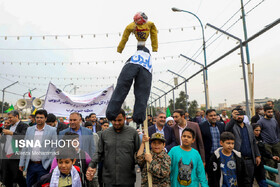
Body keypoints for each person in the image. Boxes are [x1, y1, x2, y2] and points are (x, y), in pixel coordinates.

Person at [86, 109, 140, 186]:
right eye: (114, 120)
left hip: (127, 179)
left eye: (119, 120)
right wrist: (92, 165)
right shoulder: (105, 134)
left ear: (125, 118)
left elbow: (138, 153)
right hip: (109, 180)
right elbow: (99, 153)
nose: (117, 123)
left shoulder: (133, 133)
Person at [19, 109, 57, 187]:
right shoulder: (30, 129)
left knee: (42, 185)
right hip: (31, 165)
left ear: (45, 118)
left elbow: (54, 148)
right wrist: (22, 162)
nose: (39, 119)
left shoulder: (52, 130)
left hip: (44, 165)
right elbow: (25, 146)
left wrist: (50, 163)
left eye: (41, 117)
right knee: (29, 184)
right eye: (37, 117)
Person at [225, 108, 261, 184]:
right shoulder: (232, 126)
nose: (239, 116)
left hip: (250, 160)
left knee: (249, 181)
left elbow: (253, 142)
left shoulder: (249, 127)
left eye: (241, 114)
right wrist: (233, 118)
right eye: (237, 114)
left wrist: (257, 155)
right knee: (239, 181)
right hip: (237, 160)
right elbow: (227, 129)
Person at [0, 110, 28, 187]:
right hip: (6, 156)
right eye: (8, 118)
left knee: (18, 177)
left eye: (10, 118)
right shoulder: (9, 127)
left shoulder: (23, 126)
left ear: (16, 116)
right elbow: (3, 141)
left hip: (15, 156)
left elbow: (23, 137)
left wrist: (11, 133)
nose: (9, 120)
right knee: (6, 178)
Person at [257, 104, 280, 181]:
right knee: (270, 163)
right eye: (269, 112)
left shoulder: (274, 120)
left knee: (278, 161)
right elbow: (257, 132)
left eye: (271, 112)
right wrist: (262, 142)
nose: (271, 113)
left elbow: (277, 131)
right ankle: (273, 181)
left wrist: (278, 139)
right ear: (264, 112)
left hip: (276, 143)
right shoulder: (260, 122)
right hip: (267, 145)